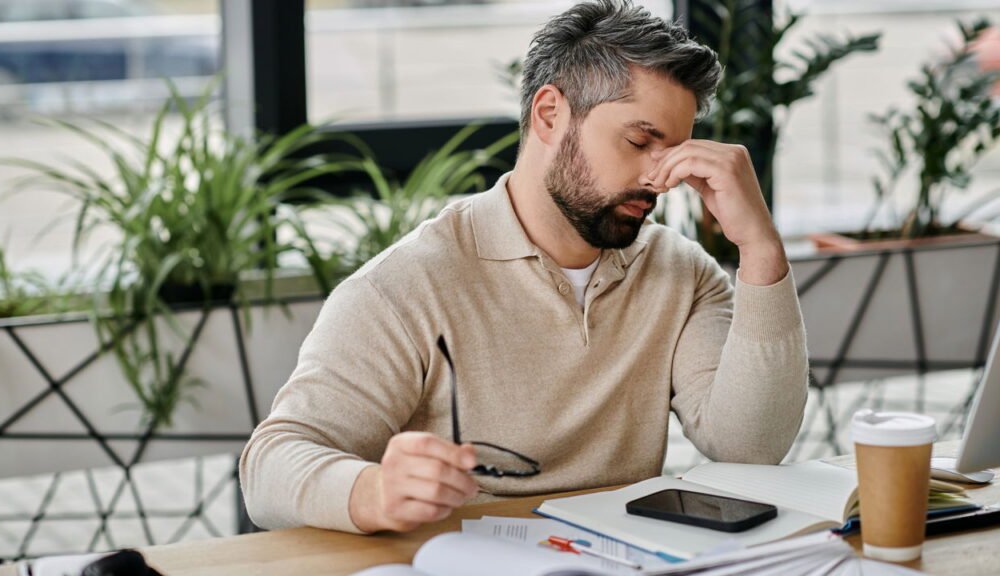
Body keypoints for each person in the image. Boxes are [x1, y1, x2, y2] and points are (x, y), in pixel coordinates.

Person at [240, 0, 808, 535]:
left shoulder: (681, 272)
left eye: (676, 154)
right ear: (550, 114)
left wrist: (760, 249)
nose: (660, 178)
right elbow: (269, 468)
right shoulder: (407, 285)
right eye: (640, 142)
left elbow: (750, 446)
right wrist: (373, 490)